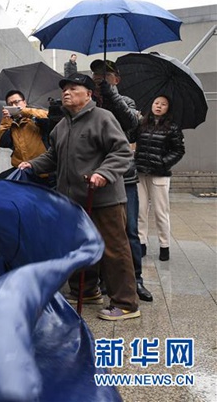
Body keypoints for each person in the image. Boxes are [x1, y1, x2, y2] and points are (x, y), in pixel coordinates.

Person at [19, 73, 140, 321]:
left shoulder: (103, 118)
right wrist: (31, 165)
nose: (66, 92)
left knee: (114, 250)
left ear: (88, 94)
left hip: (104, 198)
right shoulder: (61, 126)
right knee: (79, 247)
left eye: (74, 88)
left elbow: (121, 152)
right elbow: (52, 157)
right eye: (64, 88)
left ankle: (126, 303)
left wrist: (103, 173)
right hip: (73, 201)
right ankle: (86, 291)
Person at [90, 59, 152, 302]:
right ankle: (105, 279)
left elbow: (131, 124)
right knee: (100, 230)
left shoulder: (127, 102)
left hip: (124, 177)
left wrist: (110, 94)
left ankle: (136, 279)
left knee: (130, 231)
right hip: (97, 176)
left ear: (116, 79)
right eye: (96, 74)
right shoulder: (89, 104)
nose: (100, 77)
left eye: (106, 74)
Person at [134, 95, 186, 261]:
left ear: (167, 108)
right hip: (141, 173)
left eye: (163, 104)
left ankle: (165, 246)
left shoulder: (172, 128)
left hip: (160, 175)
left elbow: (179, 151)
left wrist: (163, 163)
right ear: (152, 105)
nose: (159, 106)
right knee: (141, 211)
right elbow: (130, 137)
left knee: (160, 212)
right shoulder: (142, 124)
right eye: (156, 103)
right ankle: (141, 243)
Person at [0, 90, 51, 185]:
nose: (13, 106)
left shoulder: (34, 117)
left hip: (42, 170)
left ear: (24, 102)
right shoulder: (11, 124)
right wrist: (6, 119)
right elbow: (1, 142)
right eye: (10, 104)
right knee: (0, 180)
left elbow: (48, 117)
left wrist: (24, 111)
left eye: (16, 102)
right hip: (21, 169)